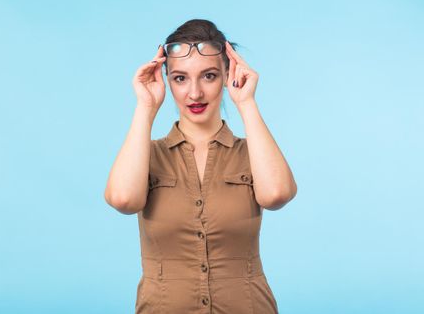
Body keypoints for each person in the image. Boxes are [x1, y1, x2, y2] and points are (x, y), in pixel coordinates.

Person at [104, 19, 297, 313]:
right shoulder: (147, 155)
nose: (194, 93)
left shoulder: (252, 153)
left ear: (227, 75)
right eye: (180, 78)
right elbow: (123, 200)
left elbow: (277, 195)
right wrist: (145, 107)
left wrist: (246, 103)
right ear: (166, 80)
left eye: (208, 76)